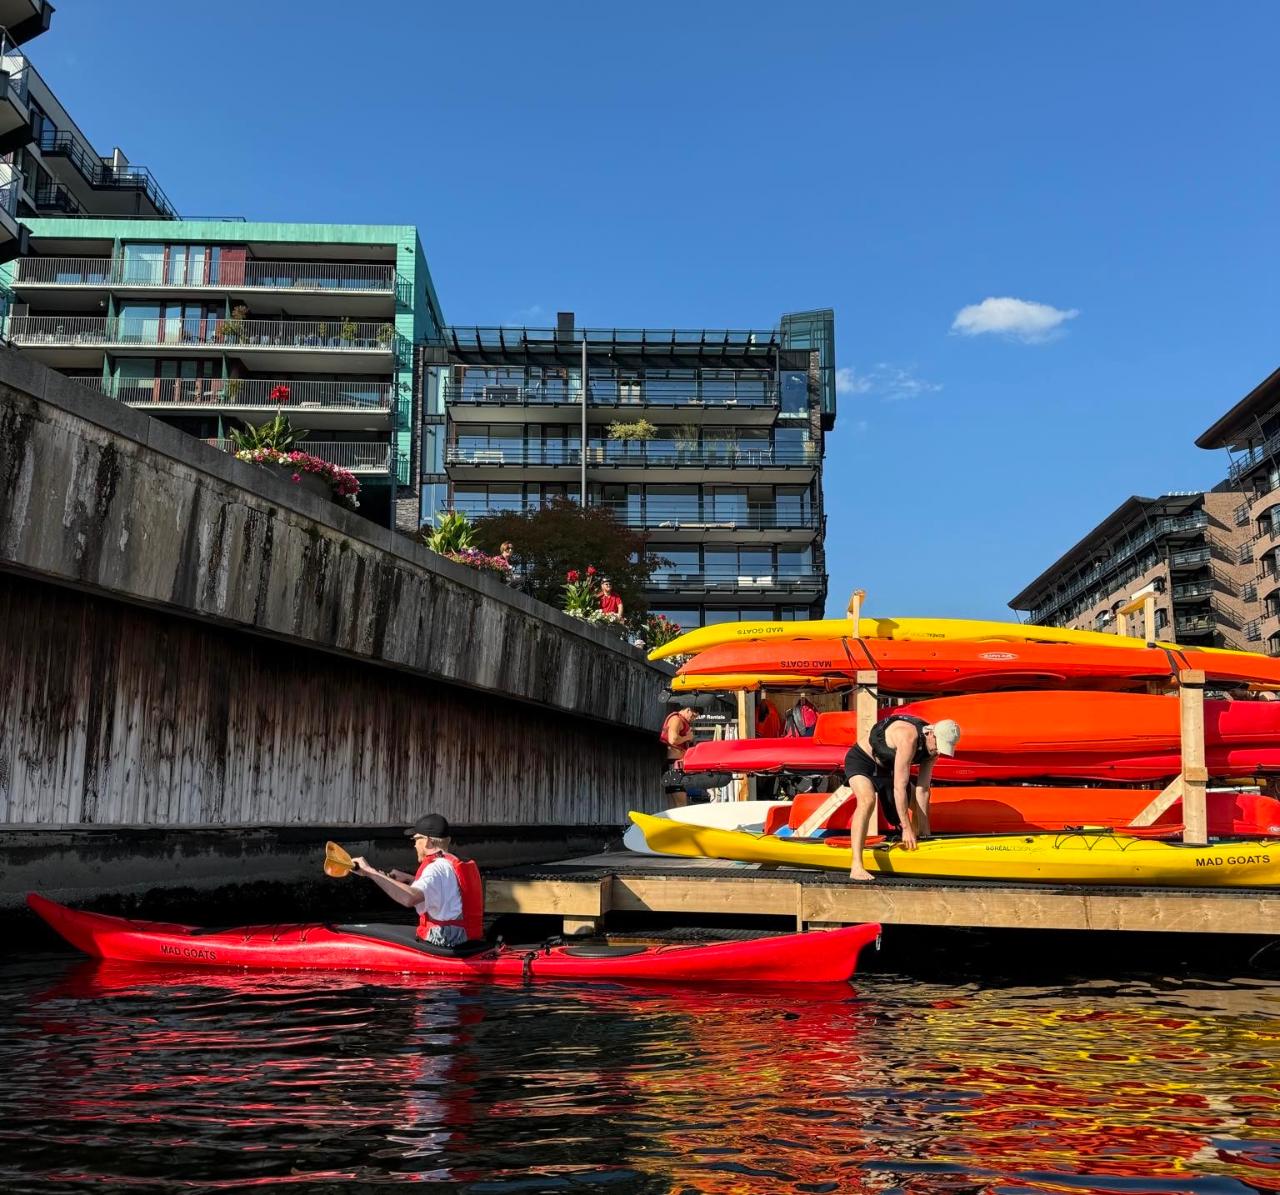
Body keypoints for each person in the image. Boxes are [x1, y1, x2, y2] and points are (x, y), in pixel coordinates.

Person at [842, 715, 961, 882]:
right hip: (863, 761)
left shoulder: (933, 749)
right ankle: (856, 865)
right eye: (938, 746)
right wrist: (906, 827)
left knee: (916, 805)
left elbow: (923, 790)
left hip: (887, 768)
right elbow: (899, 787)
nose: (938, 751)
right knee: (867, 800)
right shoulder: (908, 737)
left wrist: (926, 834)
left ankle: (915, 845)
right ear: (931, 734)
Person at [349, 814, 484, 946]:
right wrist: (409, 879)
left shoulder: (435, 869)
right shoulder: (449, 863)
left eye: (415, 839)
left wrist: (370, 872)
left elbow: (410, 898)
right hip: (464, 935)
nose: (414, 845)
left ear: (427, 841)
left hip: (446, 939)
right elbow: (441, 891)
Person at [660, 702, 698, 806]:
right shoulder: (676, 719)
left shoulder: (682, 721)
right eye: (694, 715)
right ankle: (679, 822)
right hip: (673, 767)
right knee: (681, 803)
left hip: (677, 766)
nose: (693, 718)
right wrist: (688, 737)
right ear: (688, 710)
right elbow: (673, 739)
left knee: (681, 802)